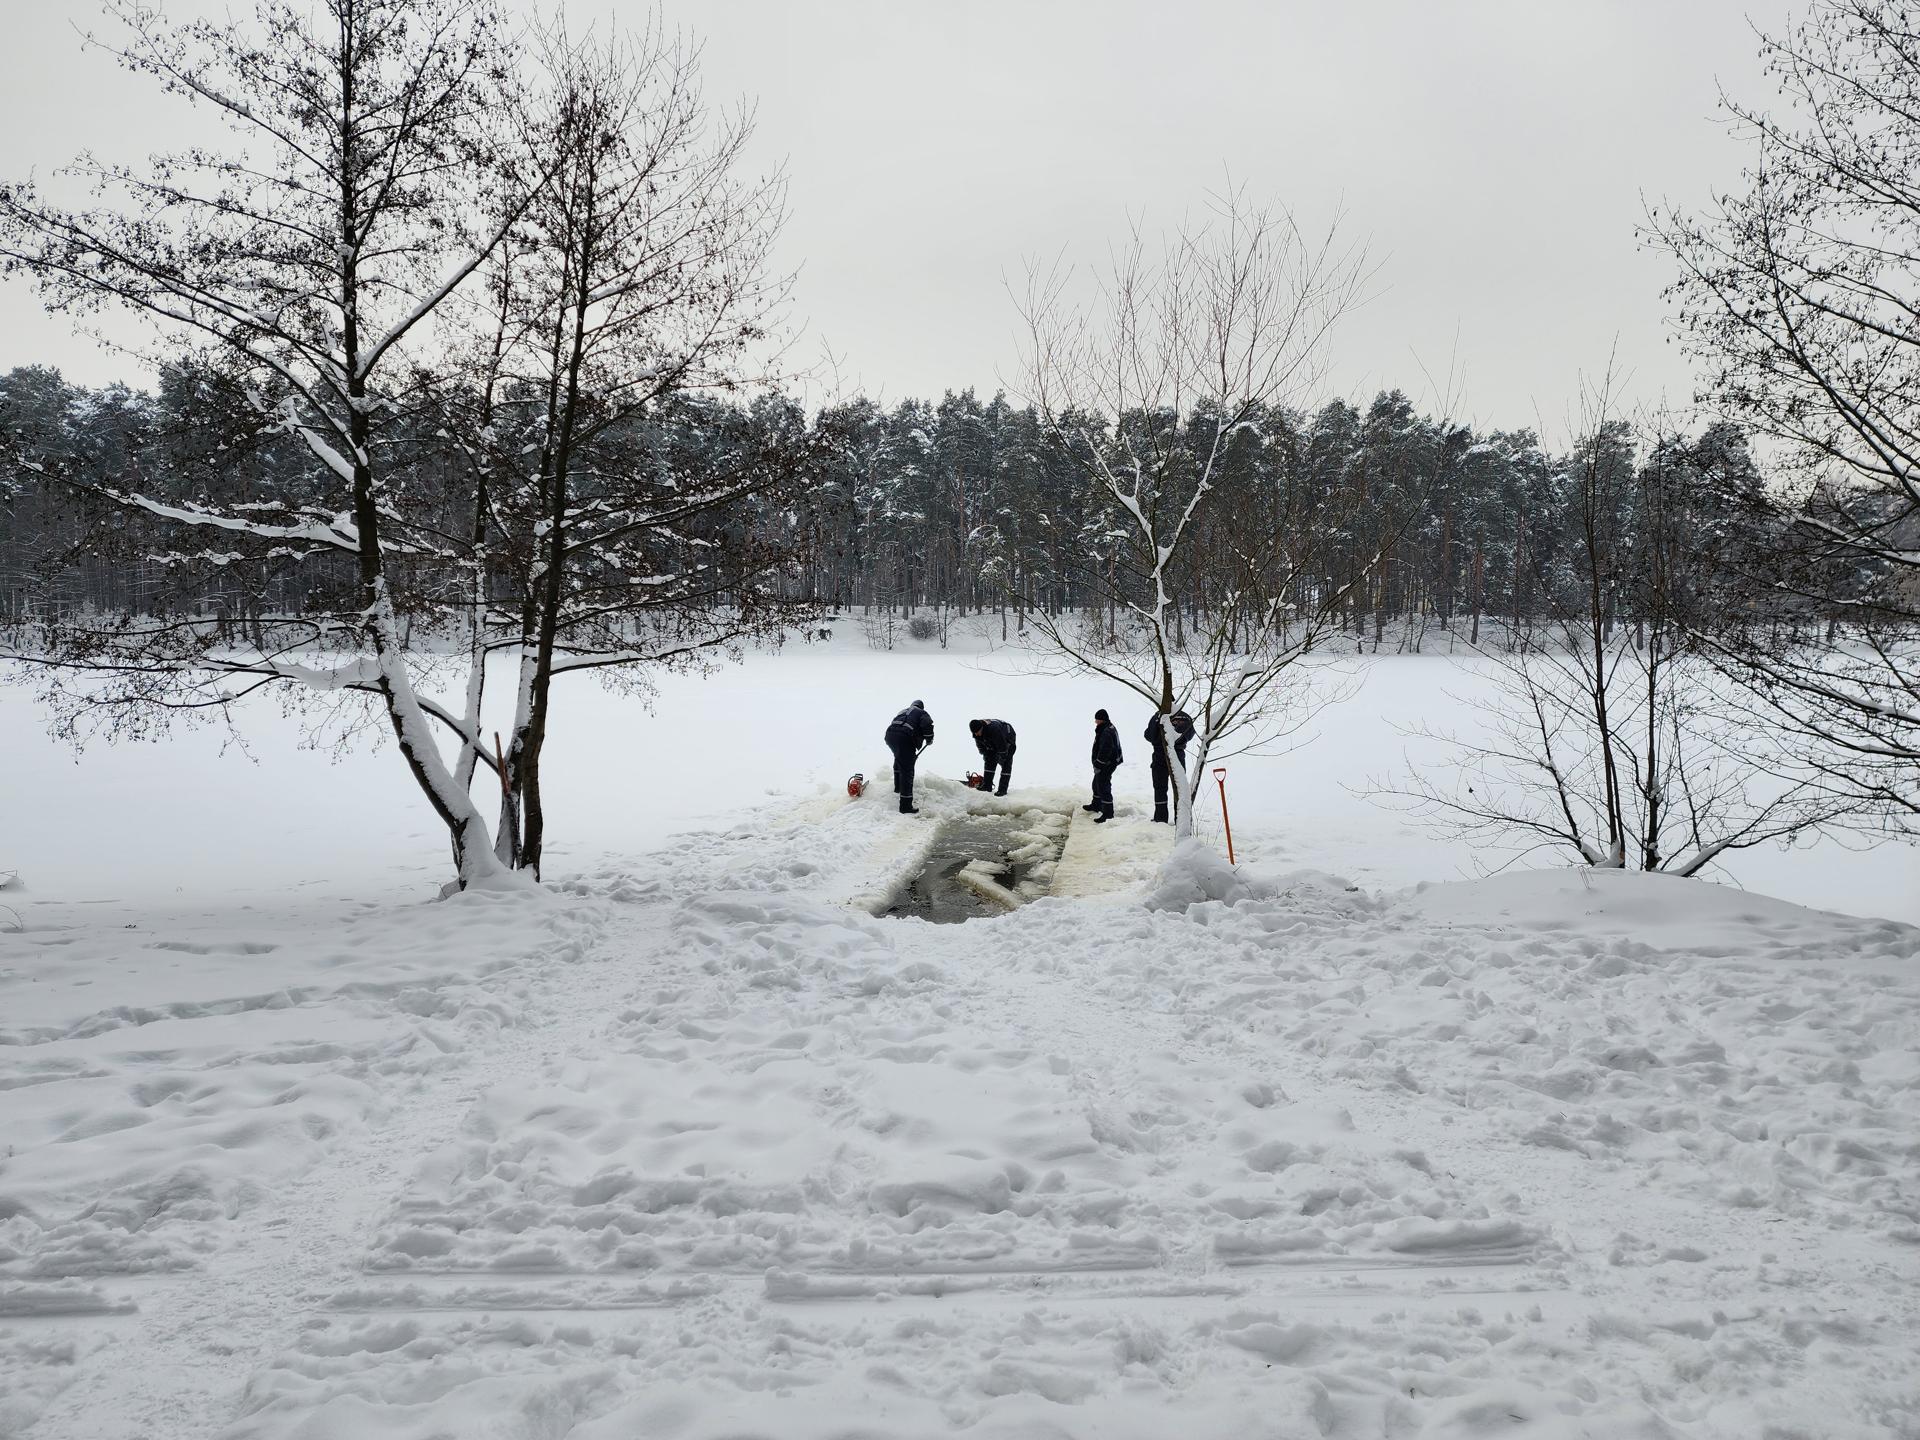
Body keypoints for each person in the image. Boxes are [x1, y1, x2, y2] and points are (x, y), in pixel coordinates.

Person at [1144, 709, 1196, 824]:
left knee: (1160, 787)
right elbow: (1191, 733)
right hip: (1178, 755)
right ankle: (1180, 819)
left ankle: (1160, 818)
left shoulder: (1158, 716)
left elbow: (1149, 735)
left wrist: (1159, 740)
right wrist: (1180, 741)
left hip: (1159, 755)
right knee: (1179, 788)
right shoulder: (1184, 716)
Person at [884, 700, 934, 813]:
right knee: (907, 770)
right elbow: (927, 724)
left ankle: (898, 787)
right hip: (904, 737)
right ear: (921, 707)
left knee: (899, 758)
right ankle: (905, 806)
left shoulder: (903, 710)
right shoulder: (922, 712)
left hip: (890, 735)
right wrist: (929, 738)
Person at [1086, 708, 1123, 822]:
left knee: (1103, 785)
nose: (1095, 721)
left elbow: (1106, 749)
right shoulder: (1106, 727)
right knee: (1096, 783)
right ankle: (1096, 805)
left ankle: (1108, 813)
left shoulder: (1106, 731)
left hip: (1107, 763)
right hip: (1107, 762)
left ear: (1102, 719)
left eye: (1097, 719)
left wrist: (1099, 763)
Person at [967, 718, 1017, 797]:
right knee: (989, 759)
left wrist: (1003, 755)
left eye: (977, 732)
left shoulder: (994, 729)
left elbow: (1002, 745)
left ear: (981, 728)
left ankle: (1002, 790)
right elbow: (980, 746)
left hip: (1007, 737)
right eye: (974, 733)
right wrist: (985, 754)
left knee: (1006, 763)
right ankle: (987, 785)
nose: (976, 734)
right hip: (992, 740)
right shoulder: (976, 732)